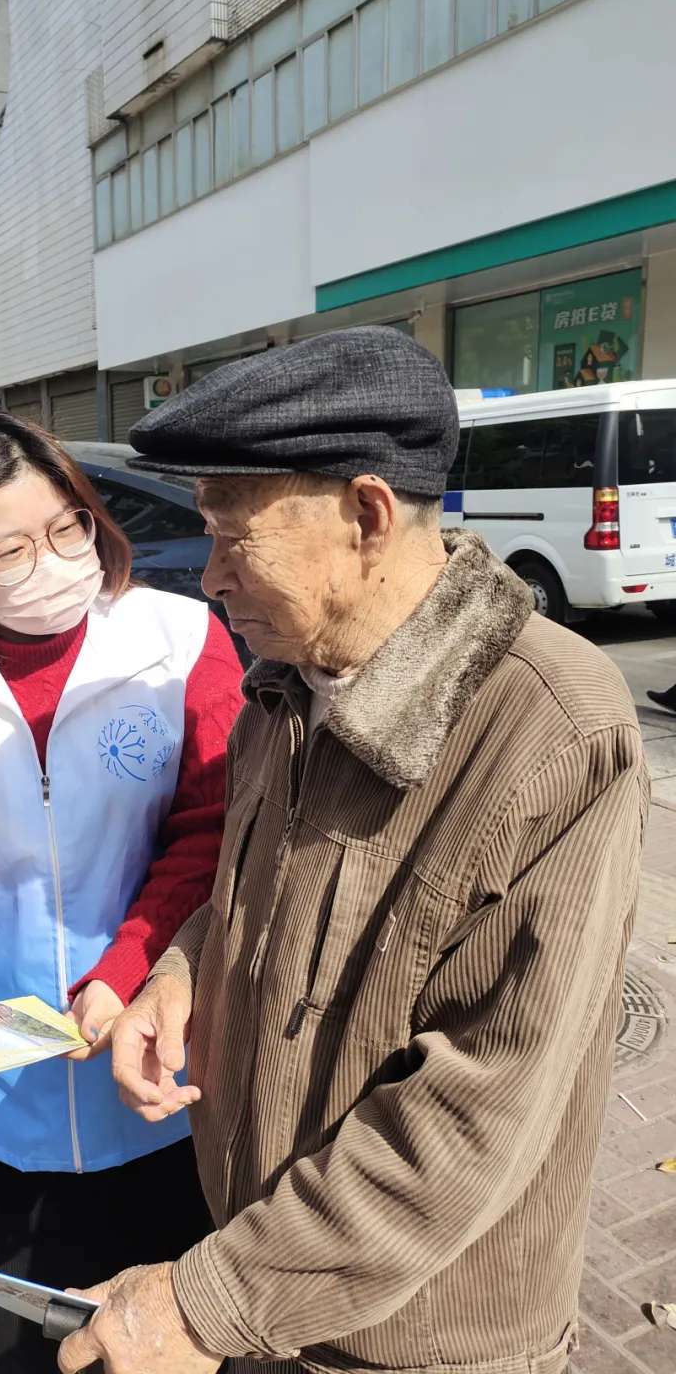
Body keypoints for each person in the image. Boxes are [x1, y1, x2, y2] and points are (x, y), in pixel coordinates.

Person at [58, 328, 648, 1374]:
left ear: (368, 516)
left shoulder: (553, 728)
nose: (211, 578)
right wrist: (181, 974)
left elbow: (472, 1113)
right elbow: (249, 895)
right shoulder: (284, 689)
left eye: (234, 537)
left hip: (423, 1339)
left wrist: (202, 1307)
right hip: (265, 1282)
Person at [0, 412, 243, 1374]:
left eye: (68, 528)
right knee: (13, 1336)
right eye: (8, 550)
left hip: (152, 1056)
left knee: (158, 1331)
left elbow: (212, 833)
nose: (53, 563)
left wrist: (130, 967)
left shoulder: (178, 642)